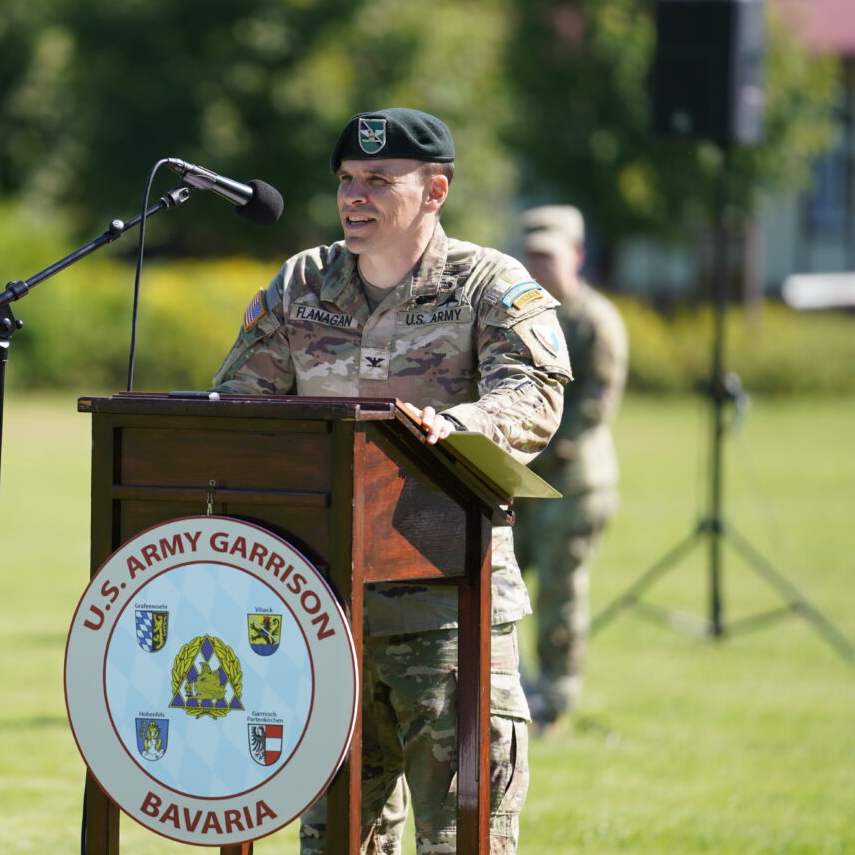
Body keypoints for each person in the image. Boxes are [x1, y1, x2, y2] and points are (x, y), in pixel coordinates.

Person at [211, 108, 571, 855]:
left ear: (435, 191)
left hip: (449, 607)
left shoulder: (488, 283)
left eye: (379, 180)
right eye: (347, 179)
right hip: (320, 611)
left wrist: (458, 426)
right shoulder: (301, 284)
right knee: (336, 839)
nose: (355, 196)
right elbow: (238, 405)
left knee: (462, 837)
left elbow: (534, 395)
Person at [514, 205, 628, 732]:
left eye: (549, 255)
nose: (538, 265)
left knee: (560, 594)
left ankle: (555, 701)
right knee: (498, 588)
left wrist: (529, 448)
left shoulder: (595, 321)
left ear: (576, 256)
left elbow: (594, 407)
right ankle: (511, 689)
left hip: (573, 483)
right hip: (520, 481)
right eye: (531, 255)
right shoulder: (519, 315)